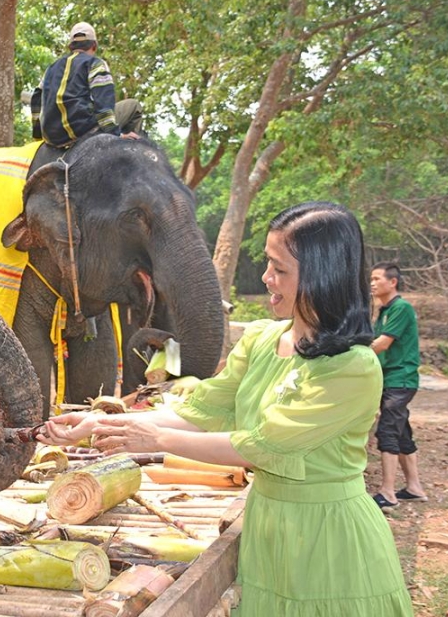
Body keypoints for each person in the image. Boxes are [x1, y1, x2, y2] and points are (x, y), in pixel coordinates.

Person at [39, 201, 413, 616]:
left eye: (281, 270)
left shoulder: (353, 367)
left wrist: (156, 439)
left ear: (326, 275)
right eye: (268, 264)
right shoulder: (260, 340)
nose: (267, 279)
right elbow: (202, 411)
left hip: (327, 539)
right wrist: (102, 422)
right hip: (267, 528)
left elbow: (264, 446)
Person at [30, 21, 144, 148]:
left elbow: (36, 99)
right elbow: (104, 104)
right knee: (134, 106)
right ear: (94, 46)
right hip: (83, 132)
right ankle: (132, 150)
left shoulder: (50, 69)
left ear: (70, 47)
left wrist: (38, 137)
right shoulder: (94, 64)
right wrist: (115, 134)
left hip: (52, 138)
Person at [370, 262, 427, 509]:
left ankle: (388, 492)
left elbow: (381, 344)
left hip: (400, 379)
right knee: (401, 431)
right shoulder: (385, 310)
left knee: (388, 431)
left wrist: (349, 352)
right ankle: (414, 488)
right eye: (370, 279)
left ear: (392, 282)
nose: (372, 283)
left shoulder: (401, 308)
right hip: (391, 378)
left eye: (377, 279)